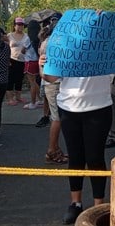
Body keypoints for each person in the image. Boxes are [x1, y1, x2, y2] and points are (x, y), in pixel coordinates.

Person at [40, 36, 113, 224]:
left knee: (95, 158)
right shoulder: (65, 46)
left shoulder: (106, 46)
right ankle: (76, 203)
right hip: (69, 109)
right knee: (76, 157)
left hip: (98, 108)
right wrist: (42, 67)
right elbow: (51, 77)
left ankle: (99, 206)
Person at [38, 20, 68, 164]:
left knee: (57, 117)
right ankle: (52, 150)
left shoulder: (46, 41)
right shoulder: (55, 43)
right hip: (54, 82)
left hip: (51, 81)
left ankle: (55, 148)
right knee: (57, 118)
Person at [6, 17, 29, 105]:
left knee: (19, 79)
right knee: (10, 79)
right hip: (11, 59)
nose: (20, 26)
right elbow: (6, 48)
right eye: (18, 24)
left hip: (23, 60)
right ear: (14, 25)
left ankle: (18, 96)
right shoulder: (9, 36)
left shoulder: (27, 36)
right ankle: (10, 98)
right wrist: (7, 59)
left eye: (22, 25)